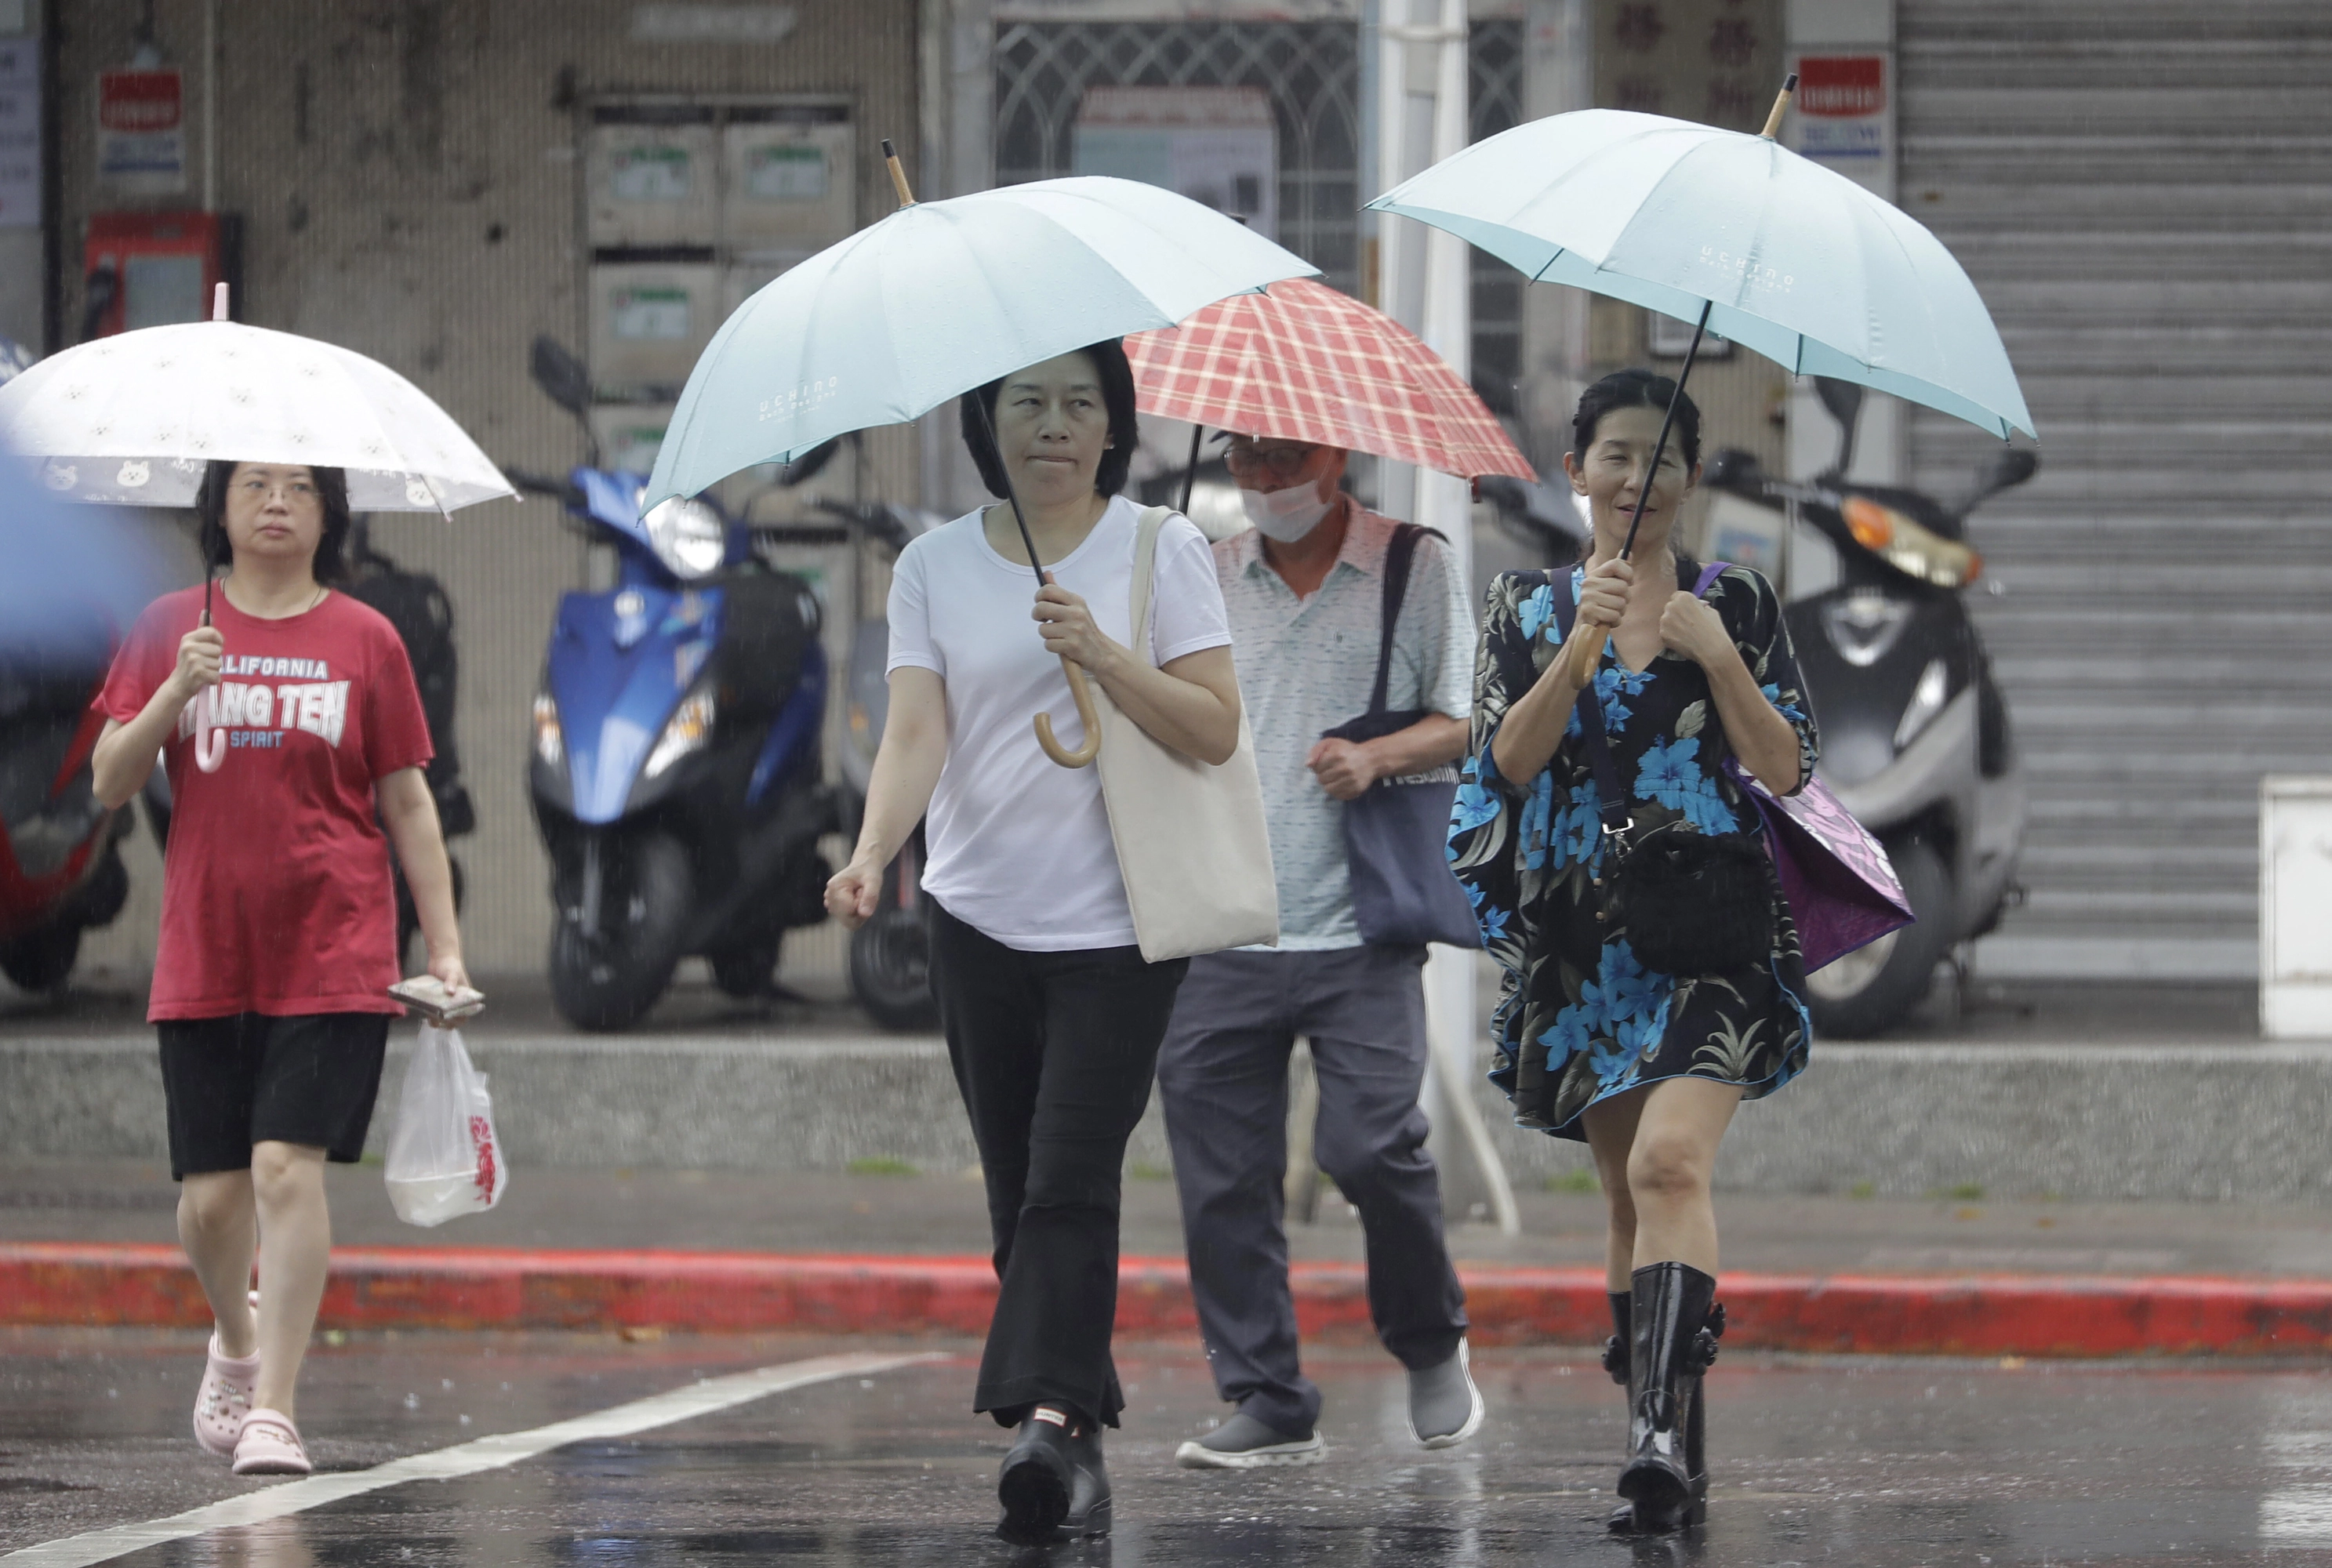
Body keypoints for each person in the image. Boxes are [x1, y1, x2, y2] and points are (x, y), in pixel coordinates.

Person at [824, 340, 1241, 1545]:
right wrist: (871, 852)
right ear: (986, 423)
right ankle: (1077, 1411)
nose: (1053, 424)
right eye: (1028, 402)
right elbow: (915, 732)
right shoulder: (932, 566)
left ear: (1114, 426)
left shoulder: (1162, 549)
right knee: (1017, 1189)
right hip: (974, 918)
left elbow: (1214, 727)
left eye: (1079, 403)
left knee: (1068, 1173)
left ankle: (1045, 1423)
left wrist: (1103, 651)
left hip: (1120, 926)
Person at [1448, 370, 1818, 1535]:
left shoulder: (1736, 600)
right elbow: (1505, 764)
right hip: (1584, 935)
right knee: (1623, 1195)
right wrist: (1581, 644)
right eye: (1616, 455)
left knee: (1668, 1166)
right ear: (1575, 470)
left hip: (1710, 926)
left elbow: (1786, 769)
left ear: (1690, 477)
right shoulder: (1524, 604)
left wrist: (1721, 658)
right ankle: (1671, 1450)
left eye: (1662, 459)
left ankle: (1652, 1432)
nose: (1637, 479)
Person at [89, 461, 468, 1477]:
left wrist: (443, 948)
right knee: (213, 1202)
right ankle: (235, 1338)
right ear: (217, 506)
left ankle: (275, 1410)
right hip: (205, 947)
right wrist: (177, 689)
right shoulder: (170, 626)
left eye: (300, 488)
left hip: (337, 946)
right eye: (254, 484)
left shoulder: (367, 638)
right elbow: (110, 780)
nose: (275, 504)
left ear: (327, 514)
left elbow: (408, 802)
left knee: (285, 1171)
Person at [1153, 435, 1480, 1468]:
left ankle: (1429, 1342)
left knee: (1371, 1147)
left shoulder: (1412, 563)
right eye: (1244, 458)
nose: (1263, 478)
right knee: (1220, 1178)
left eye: (1283, 457)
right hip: (1221, 923)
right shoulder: (1198, 574)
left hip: (1359, 924)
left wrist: (1377, 754)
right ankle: (1265, 1396)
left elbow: (1471, 717)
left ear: (1335, 452)